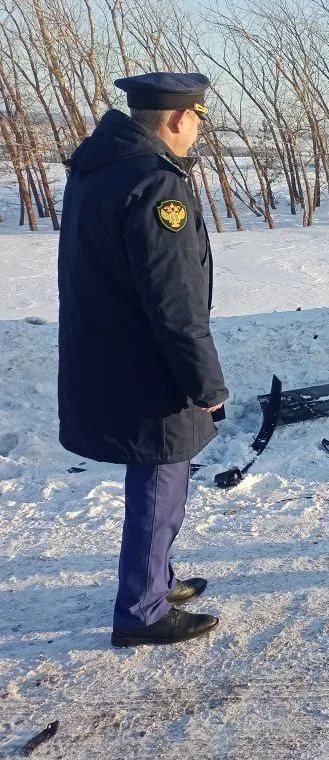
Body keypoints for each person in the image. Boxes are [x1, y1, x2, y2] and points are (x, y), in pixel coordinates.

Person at [57, 72, 229, 645]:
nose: (198, 130)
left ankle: (157, 578)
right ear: (180, 119)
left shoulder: (101, 169)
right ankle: (143, 610)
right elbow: (175, 301)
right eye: (199, 120)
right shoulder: (157, 185)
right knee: (160, 482)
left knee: (162, 478)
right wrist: (207, 381)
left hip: (112, 354)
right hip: (149, 365)